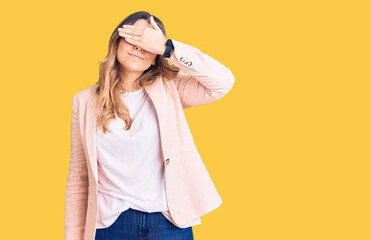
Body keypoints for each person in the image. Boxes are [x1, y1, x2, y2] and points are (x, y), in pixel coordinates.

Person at [64, 10, 235, 240]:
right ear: (117, 40)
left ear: (156, 56)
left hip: (168, 222)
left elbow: (223, 82)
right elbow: (78, 179)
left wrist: (168, 47)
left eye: (147, 42)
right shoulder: (84, 101)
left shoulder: (171, 89)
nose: (139, 47)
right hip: (110, 224)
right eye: (134, 37)